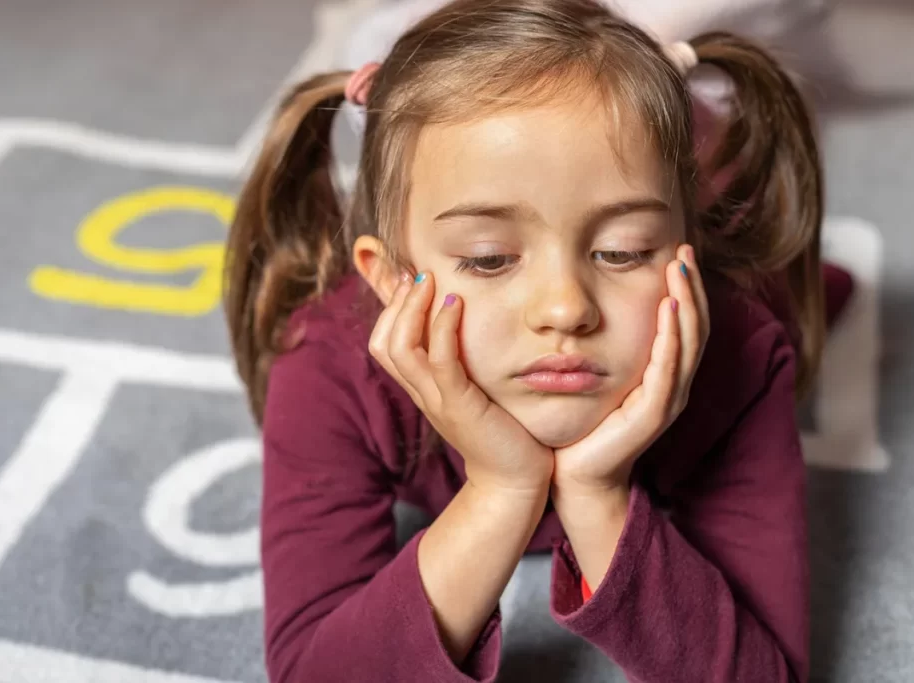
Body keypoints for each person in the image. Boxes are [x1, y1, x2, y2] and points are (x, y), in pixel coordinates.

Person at [224, 1, 830, 680]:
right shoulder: (325, 364)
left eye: (624, 251)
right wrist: (500, 488)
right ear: (392, 278)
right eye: (488, 258)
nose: (565, 308)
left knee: (793, 280)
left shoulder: (740, 357)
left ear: (682, 249)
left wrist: (599, 495)